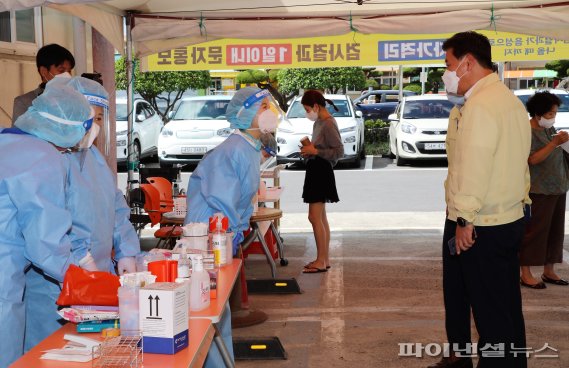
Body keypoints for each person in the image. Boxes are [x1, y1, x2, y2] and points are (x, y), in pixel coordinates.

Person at [430, 31, 531, 368]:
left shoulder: (482, 106)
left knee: (492, 317)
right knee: (500, 308)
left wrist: (463, 219)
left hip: (482, 224)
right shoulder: (507, 100)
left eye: (448, 64)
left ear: (467, 63)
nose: (445, 72)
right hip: (505, 218)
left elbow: (473, 166)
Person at [22, 76, 141, 351]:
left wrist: (126, 251)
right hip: (56, 284)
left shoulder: (95, 159)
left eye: (99, 119)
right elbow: (48, 224)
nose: (93, 127)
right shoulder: (53, 159)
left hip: (98, 279)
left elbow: (117, 208)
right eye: (88, 118)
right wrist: (81, 259)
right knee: (52, 353)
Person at [185, 87, 281, 366]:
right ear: (244, 114)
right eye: (263, 107)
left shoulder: (248, 149)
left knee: (218, 312)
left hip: (220, 243)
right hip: (206, 245)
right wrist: (230, 237)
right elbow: (221, 205)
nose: (270, 113)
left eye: (269, 106)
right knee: (208, 315)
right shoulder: (233, 151)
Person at [0, 83, 92, 367]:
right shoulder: (43, 157)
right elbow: (45, 245)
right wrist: (85, 283)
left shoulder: (6, 141)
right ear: (70, 128)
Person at [519, 92, 569, 289]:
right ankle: (526, 272)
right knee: (535, 232)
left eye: (554, 113)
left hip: (558, 186)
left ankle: (549, 270)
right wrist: (554, 144)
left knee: (555, 231)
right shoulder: (527, 132)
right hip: (538, 190)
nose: (553, 117)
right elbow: (532, 159)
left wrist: (562, 142)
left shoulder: (551, 130)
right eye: (549, 113)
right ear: (537, 113)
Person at [300, 90, 344, 274]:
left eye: (307, 109)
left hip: (320, 171)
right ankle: (323, 259)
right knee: (321, 217)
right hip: (315, 169)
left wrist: (315, 152)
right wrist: (310, 149)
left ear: (316, 106)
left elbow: (339, 151)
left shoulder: (328, 123)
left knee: (314, 217)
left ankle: (321, 260)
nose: (307, 112)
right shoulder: (319, 121)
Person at [12, 44, 75, 123]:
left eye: (69, 71)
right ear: (43, 71)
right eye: (61, 70)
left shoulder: (75, 99)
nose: (67, 75)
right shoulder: (24, 102)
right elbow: (18, 134)